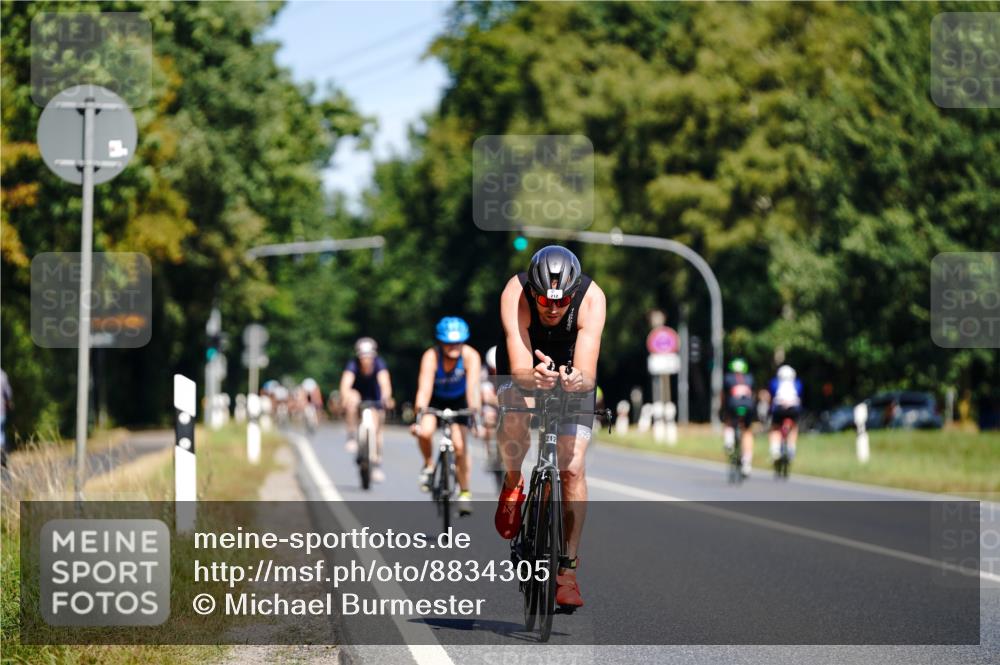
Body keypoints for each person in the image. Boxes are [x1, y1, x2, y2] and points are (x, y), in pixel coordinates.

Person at [494, 245, 606, 609]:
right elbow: (518, 360)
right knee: (515, 412)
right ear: (533, 292)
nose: (552, 308)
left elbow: (588, 374)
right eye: (543, 300)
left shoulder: (592, 299)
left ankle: (568, 571)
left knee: (572, 470)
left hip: (573, 369)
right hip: (528, 363)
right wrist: (532, 376)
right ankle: (513, 484)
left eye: (560, 302)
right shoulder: (515, 292)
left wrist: (576, 381)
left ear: (572, 295)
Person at [413, 317, 483, 517]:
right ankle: (428, 465)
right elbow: (424, 388)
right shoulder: (431, 356)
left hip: (459, 401)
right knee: (424, 432)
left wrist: (475, 411)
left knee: (460, 447)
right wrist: (420, 411)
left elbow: (473, 389)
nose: (453, 347)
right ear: (440, 342)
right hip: (436, 399)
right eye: (448, 343)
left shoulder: (470, 356)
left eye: (457, 343)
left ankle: (464, 492)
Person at [339, 337, 394, 482]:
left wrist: (386, 397)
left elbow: (385, 383)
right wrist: (345, 397)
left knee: (377, 430)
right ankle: (351, 436)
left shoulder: (379, 364)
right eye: (363, 356)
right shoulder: (352, 365)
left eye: (368, 355)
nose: (366, 359)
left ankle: (376, 464)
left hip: (374, 398)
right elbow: (345, 384)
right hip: (358, 396)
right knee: (352, 399)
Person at [722, 357, 755, 478]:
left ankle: (729, 442)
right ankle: (747, 461)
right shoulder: (750, 378)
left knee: (729, 422)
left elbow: (724, 396)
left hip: (732, 406)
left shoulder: (728, 378)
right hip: (748, 407)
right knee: (747, 431)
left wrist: (723, 410)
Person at [769, 364, 803, 466]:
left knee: (775, 428)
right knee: (794, 427)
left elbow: (772, 394)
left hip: (779, 409)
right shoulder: (797, 383)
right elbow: (800, 395)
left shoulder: (775, 382)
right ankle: (791, 448)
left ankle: (775, 450)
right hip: (793, 409)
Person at [1, 368, 12, 468]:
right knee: (1, 435)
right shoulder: (2, 375)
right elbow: (8, 394)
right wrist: (9, 404)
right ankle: (2, 459)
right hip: (1, 411)